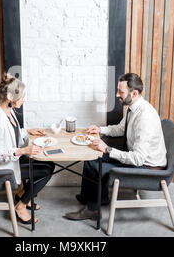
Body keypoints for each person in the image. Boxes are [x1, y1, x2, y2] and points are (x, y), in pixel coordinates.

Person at [64, 73, 167, 221]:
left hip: (147, 167)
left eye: (121, 92)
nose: (117, 94)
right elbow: (120, 129)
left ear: (134, 93)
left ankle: (92, 210)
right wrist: (100, 130)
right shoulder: (134, 108)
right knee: (91, 155)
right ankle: (94, 198)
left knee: (96, 165)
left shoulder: (145, 118)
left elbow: (138, 159)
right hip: (136, 157)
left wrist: (108, 149)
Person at [0, 73, 55, 224]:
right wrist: (24, 150)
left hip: (13, 160)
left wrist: (28, 131)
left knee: (49, 164)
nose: (23, 100)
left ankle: (23, 195)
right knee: (45, 172)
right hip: (3, 168)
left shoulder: (9, 113)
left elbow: (12, 134)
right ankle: (21, 206)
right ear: (10, 97)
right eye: (22, 97)